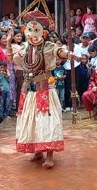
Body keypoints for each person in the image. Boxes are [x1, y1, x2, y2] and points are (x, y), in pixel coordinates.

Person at [6, 9, 79, 168]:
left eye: (37, 30)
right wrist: (8, 42)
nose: (33, 33)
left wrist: (70, 54)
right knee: (31, 120)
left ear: (44, 32)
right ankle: (37, 150)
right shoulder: (24, 47)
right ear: (25, 31)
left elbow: (59, 51)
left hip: (45, 87)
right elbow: (13, 59)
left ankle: (49, 155)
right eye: (30, 30)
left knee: (47, 120)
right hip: (30, 88)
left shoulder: (48, 46)